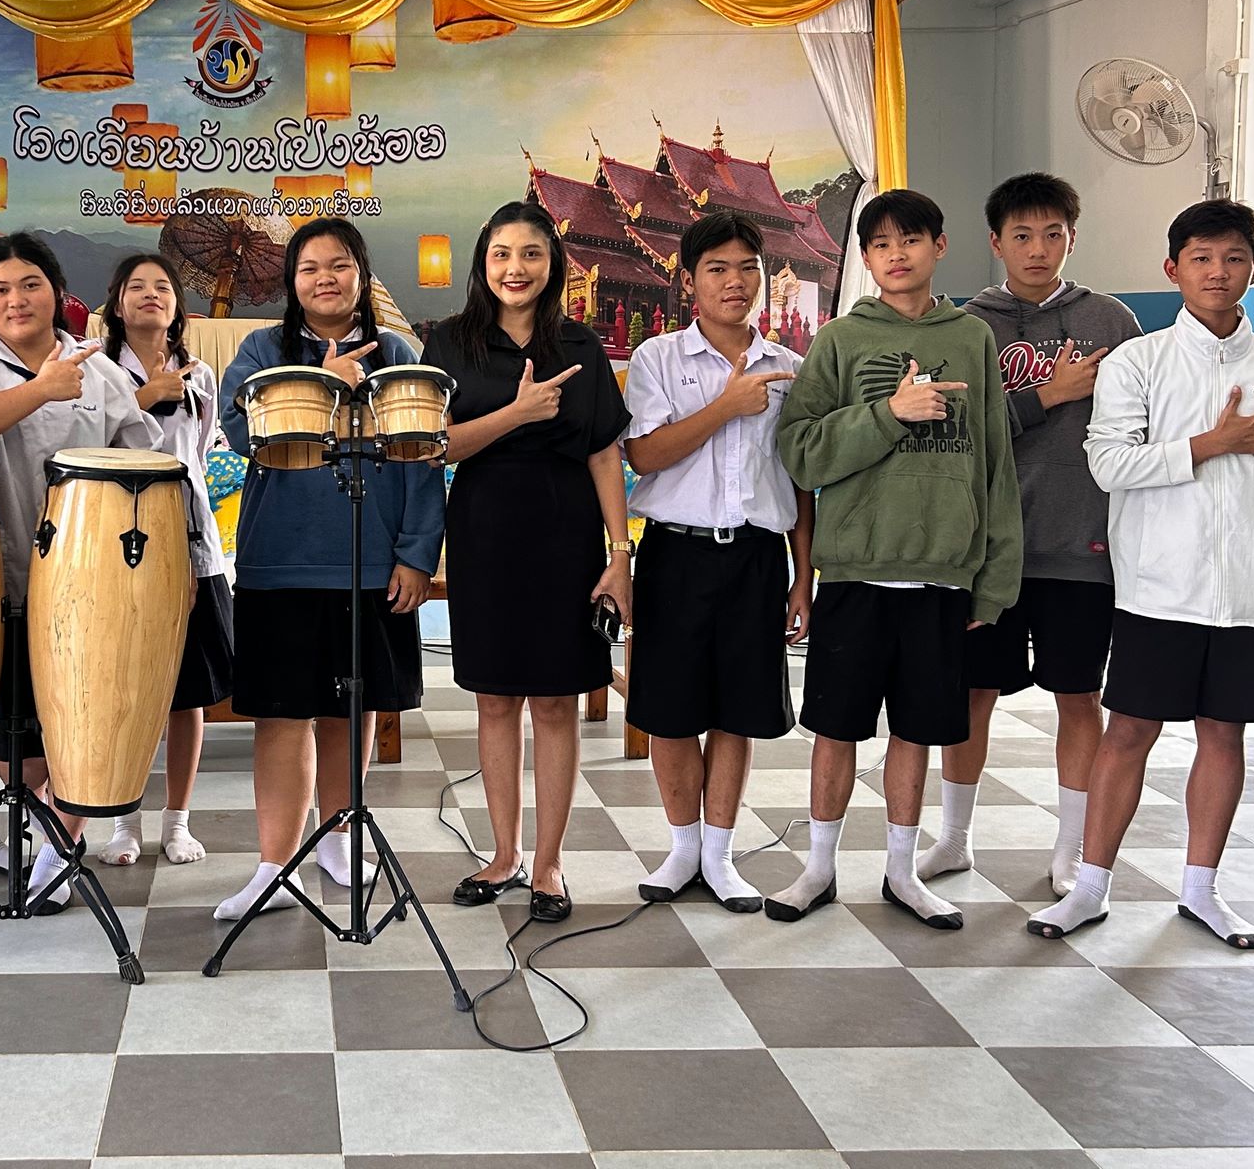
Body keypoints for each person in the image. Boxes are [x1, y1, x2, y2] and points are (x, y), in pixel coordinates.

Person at [1029, 201, 1254, 949]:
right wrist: (1210, 443)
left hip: (1253, 591)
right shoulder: (1139, 361)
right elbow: (1109, 463)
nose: (1217, 272)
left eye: (1232, 258)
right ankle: (1088, 887)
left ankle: (1201, 892)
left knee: (1225, 736)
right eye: (1201, 258)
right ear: (1173, 269)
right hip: (1159, 589)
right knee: (1129, 731)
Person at [766, 188, 1021, 930]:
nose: (896, 255)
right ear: (865, 258)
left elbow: (995, 466)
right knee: (837, 728)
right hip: (856, 572)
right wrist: (888, 413)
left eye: (910, 240)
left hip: (943, 577)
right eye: (880, 244)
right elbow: (799, 450)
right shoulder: (840, 340)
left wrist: (992, 582)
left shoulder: (972, 338)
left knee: (917, 729)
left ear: (940, 246)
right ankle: (818, 869)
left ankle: (902, 872)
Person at [903, 174, 1143, 899]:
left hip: (1082, 545)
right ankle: (953, 839)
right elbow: (954, 426)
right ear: (995, 242)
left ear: (1072, 238)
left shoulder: (1111, 321)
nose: (1038, 249)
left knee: (1078, 696)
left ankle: (1072, 850)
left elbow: (1146, 425)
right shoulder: (966, 325)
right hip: (987, 550)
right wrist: (1050, 395)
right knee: (972, 693)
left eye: (1053, 235)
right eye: (1022, 236)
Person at [0, 233, 167, 914]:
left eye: (30, 284)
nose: (16, 299)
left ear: (57, 293)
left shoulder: (99, 368)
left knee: (84, 721)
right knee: (13, 742)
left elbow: (142, 461)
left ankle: (61, 850)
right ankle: (23, 826)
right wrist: (40, 391)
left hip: (91, 585)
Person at [214, 219, 446, 923]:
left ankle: (339, 842)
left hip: (371, 563)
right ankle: (273, 865)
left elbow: (424, 461)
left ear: (361, 275)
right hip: (280, 560)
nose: (325, 278)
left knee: (354, 709)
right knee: (282, 717)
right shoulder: (262, 350)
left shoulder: (398, 354)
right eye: (309, 267)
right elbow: (239, 432)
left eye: (339, 264)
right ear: (292, 283)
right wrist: (325, 382)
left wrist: (416, 554)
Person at [423, 203, 629, 923]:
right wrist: (516, 413)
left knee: (556, 701)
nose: (516, 268)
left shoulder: (580, 344)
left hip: (566, 530)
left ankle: (549, 864)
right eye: (502, 254)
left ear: (553, 264)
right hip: (484, 529)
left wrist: (620, 554)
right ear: (483, 262)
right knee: (494, 698)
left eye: (531, 254)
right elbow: (434, 446)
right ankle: (503, 854)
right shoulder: (449, 342)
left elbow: (604, 453)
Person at [626, 214, 814, 915]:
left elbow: (800, 480)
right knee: (671, 711)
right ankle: (682, 850)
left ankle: (720, 855)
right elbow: (645, 455)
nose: (735, 282)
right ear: (689, 282)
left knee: (737, 711)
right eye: (717, 269)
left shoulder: (790, 368)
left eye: (747, 268)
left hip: (757, 557)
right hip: (676, 552)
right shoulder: (658, 358)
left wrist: (803, 576)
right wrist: (727, 405)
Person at [96, 253, 232, 869]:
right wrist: (145, 397)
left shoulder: (200, 375)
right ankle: (123, 821)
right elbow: (87, 448)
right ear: (117, 304)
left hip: (191, 539)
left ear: (178, 305)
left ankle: (178, 821)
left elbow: (196, 458)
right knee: (125, 690)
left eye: (163, 287)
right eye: (136, 287)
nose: (151, 294)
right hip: (116, 544)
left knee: (188, 693)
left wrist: (198, 553)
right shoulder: (96, 371)